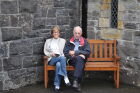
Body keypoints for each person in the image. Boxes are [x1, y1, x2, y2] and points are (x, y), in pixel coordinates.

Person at [44, 26, 71, 92]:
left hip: (61, 59)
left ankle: (57, 85)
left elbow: (66, 51)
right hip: (52, 59)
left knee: (58, 64)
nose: (56, 33)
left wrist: (64, 55)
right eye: (54, 32)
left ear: (59, 33)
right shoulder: (48, 41)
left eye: (57, 32)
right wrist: (51, 54)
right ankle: (65, 76)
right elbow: (45, 51)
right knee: (61, 58)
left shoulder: (63, 41)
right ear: (52, 33)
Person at [64, 26, 90, 92]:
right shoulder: (69, 41)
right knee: (80, 61)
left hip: (80, 60)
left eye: (79, 33)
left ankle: (76, 81)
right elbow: (65, 52)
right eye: (76, 33)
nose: (77, 35)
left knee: (79, 60)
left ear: (81, 33)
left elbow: (88, 52)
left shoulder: (85, 41)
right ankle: (77, 83)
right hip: (71, 60)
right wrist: (73, 56)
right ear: (73, 33)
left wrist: (76, 52)